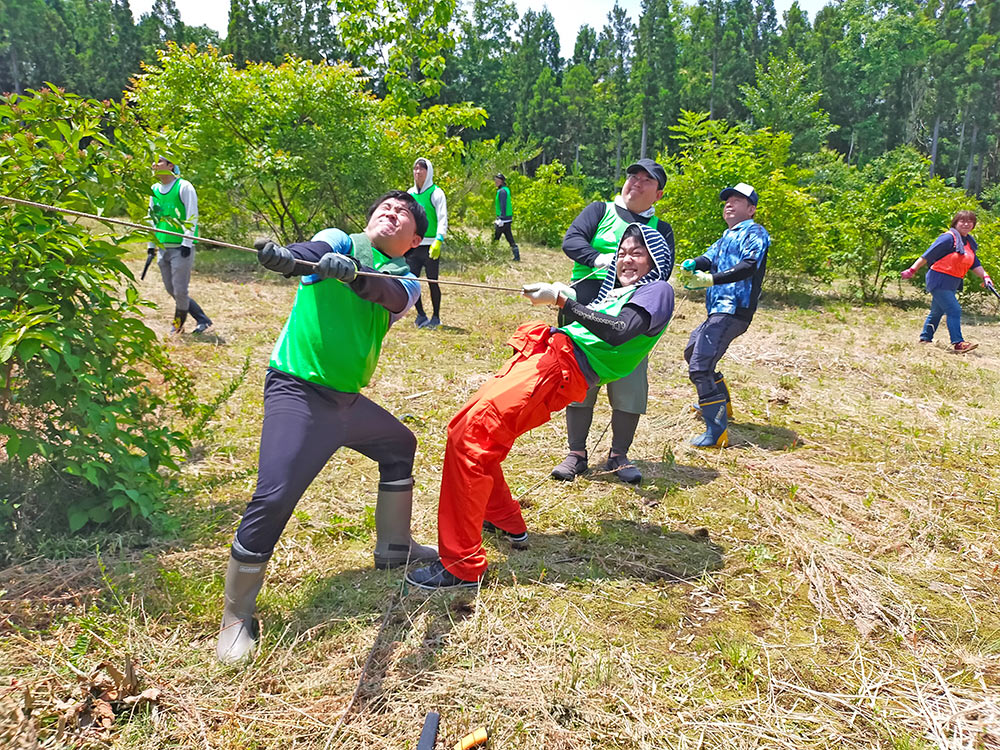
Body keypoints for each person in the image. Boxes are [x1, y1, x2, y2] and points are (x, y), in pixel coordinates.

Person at [216, 191, 438, 664]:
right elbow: (311, 254)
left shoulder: (407, 279)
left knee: (400, 444)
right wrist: (288, 259)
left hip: (346, 402)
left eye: (404, 213)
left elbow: (390, 294)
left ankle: (394, 547)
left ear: (415, 239)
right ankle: (236, 616)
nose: (391, 211)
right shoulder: (339, 240)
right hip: (296, 390)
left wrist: (355, 277)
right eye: (385, 206)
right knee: (274, 496)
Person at [405, 223, 674, 590]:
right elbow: (592, 321)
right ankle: (503, 519)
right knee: (465, 429)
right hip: (547, 358)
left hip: (561, 369)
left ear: (656, 260)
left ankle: (463, 565)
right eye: (623, 251)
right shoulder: (618, 291)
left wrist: (565, 302)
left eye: (637, 253)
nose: (627, 259)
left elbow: (618, 331)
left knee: (473, 437)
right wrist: (567, 298)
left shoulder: (658, 291)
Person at [550, 159, 674, 485]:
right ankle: (576, 453)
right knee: (579, 383)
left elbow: (663, 272)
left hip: (629, 318)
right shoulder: (600, 210)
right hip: (582, 307)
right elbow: (571, 240)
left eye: (648, 180)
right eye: (634, 175)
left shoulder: (661, 229)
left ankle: (619, 455)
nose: (637, 182)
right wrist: (598, 258)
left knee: (629, 387)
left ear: (658, 193)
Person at [681, 182, 769, 449]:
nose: (729, 204)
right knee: (693, 351)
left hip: (734, 310)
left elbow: (748, 266)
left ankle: (716, 432)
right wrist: (695, 263)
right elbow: (709, 258)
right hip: (718, 310)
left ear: (751, 209)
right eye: (727, 200)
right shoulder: (726, 236)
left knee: (700, 367)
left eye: (737, 201)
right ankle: (722, 405)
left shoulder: (755, 232)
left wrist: (710, 280)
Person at [901, 210, 994, 353]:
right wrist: (912, 270)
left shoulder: (968, 243)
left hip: (953, 282)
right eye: (962, 221)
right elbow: (927, 255)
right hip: (938, 279)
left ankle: (925, 338)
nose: (966, 224)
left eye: (970, 221)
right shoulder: (948, 238)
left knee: (937, 311)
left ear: (973, 225)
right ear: (955, 223)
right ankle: (958, 343)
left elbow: (975, 264)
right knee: (954, 309)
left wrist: (985, 277)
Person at [147, 156, 213, 334]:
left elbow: (192, 214)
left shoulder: (184, 187)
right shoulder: (154, 189)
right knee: (172, 289)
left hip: (181, 248)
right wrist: (150, 245)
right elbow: (152, 218)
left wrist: (186, 242)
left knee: (180, 290)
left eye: (159, 162)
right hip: (163, 246)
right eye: (153, 162)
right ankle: (202, 319)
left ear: (170, 166)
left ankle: (177, 326)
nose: (154, 165)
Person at [406, 157, 448, 329]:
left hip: (431, 245)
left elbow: (442, 217)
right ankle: (421, 315)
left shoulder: (436, 193)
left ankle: (436, 316)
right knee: (411, 280)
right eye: (415, 169)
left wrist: (439, 239)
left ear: (428, 171)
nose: (418, 172)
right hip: (414, 244)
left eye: (421, 169)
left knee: (432, 281)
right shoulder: (410, 194)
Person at [492, 173, 520, 261]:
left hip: (503, 219)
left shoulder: (502, 191)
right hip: (507, 218)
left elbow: (503, 205)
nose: (495, 182)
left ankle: (491, 253)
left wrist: (500, 218)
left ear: (500, 181)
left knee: (496, 237)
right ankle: (516, 256)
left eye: (496, 180)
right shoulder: (505, 190)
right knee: (509, 237)